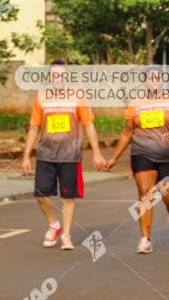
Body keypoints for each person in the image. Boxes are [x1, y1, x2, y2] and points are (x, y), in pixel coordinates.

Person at [22, 61, 106, 250]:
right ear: (49, 78)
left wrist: (97, 153)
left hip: (70, 155)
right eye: (54, 75)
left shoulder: (78, 97)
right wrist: (26, 156)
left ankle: (66, 235)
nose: (57, 78)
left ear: (66, 77)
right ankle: (54, 224)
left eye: (61, 75)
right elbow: (34, 127)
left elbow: (89, 125)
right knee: (41, 195)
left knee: (68, 197)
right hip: (45, 154)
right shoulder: (41, 98)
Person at [105, 67, 169, 253]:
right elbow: (127, 133)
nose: (154, 81)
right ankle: (145, 239)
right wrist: (114, 158)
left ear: (163, 81)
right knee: (145, 193)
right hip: (142, 153)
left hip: (168, 155)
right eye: (151, 78)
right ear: (145, 82)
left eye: (158, 78)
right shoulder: (135, 104)